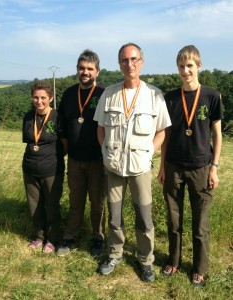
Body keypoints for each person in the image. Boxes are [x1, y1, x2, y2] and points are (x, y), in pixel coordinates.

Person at [94, 42, 171, 282]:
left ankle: (146, 260)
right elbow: (100, 128)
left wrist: (149, 153)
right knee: (115, 216)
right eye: (125, 60)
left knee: (144, 217)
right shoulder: (109, 93)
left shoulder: (154, 95)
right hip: (114, 167)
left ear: (142, 62)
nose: (130, 64)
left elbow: (162, 131)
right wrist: (106, 152)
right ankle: (115, 253)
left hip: (140, 167)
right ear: (119, 64)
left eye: (134, 59)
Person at [158, 45, 222, 288]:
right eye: (181, 66)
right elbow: (165, 133)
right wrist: (162, 167)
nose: (185, 71)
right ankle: (173, 261)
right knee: (174, 221)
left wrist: (214, 167)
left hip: (200, 167)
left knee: (200, 223)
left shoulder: (212, 96)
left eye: (190, 66)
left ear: (199, 66)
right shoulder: (171, 98)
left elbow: (217, 134)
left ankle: (199, 269)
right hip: (174, 165)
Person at [57, 49, 106, 257]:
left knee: (97, 203)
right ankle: (70, 236)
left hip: (98, 160)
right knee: (75, 200)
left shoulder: (104, 93)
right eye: (81, 68)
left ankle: (98, 237)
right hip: (75, 160)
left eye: (89, 68)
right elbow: (62, 127)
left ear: (97, 71)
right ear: (77, 70)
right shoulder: (69, 94)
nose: (85, 72)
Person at [22, 80, 66, 254]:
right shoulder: (28, 117)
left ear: (51, 98)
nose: (39, 101)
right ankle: (38, 237)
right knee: (35, 205)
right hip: (30, 169)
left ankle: (52, 239)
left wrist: (51, 159)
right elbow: (29, 141)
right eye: (35, 97)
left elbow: (65, 143)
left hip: (52, 170)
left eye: (43, 98)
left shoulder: (57, 117)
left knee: (52, 205)